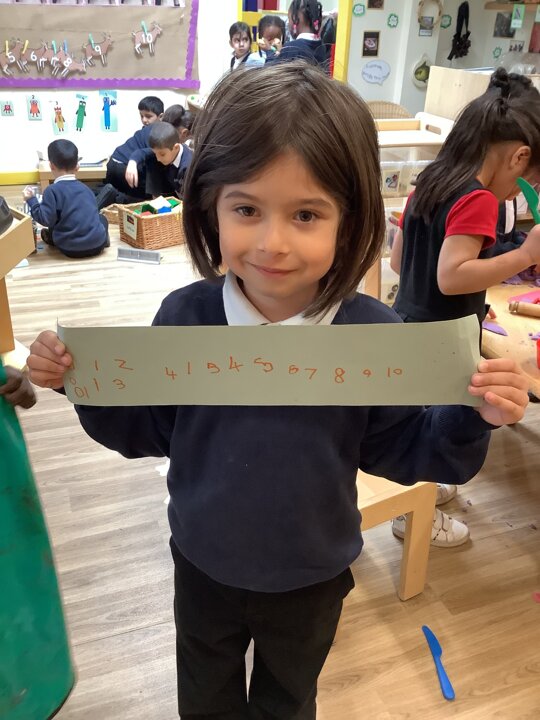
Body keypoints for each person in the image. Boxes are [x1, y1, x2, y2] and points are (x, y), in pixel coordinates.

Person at [27, 63, 529, 720]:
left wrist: (473, 414)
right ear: (209, 207)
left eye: (306, 214)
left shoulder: (372, 335)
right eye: (246, 209)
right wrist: (85, 384)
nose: (273, 243)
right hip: (202, 563)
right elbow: (148, 428)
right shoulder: (186, 318)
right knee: (203, 701)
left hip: (311, 577)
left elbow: (406, 447)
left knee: (287, 703)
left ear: (349, 220)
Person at [389, 68, 540, 546]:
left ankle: (419, 497)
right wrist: (526, 254)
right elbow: (452, 276)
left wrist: (477, 300)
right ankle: (413, 517)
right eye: (526, 182)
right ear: (519, 157)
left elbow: (398, 261)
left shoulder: (430, 180)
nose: (519, 194)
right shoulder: (478, 198)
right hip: (441, 340)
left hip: (407, 321)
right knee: (439, 426)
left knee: (416, 425)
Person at [24, 139, 109, 259]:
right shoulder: (87, 189)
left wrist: (31, 200)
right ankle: (103, 238)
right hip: (97, 244)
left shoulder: (51, 191)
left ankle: (52, 238)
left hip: (70, 248)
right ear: (77, 166)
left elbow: (45, 219)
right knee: (101, 218)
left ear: (51, 166)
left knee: (55, 221)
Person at [96, 96, 164, 208]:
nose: (144, 120)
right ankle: (116, 197)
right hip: (125, 167)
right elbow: (152, 163)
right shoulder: (156, 133)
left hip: (113, 162)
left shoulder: (144, 131)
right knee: (142, 198)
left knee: (114, 191)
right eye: (141, 116)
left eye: (148, 116)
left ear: (161, 116)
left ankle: (109, 195)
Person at [267, 1, 328, 68]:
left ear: (295, 18)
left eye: (289, 19)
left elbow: (269, 70)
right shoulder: (321, 46)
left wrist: (269, 50)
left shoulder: (291, 48)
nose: (288, 24)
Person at [145, 120, 193, 200]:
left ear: (176, 147)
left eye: (162, 154)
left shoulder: (188, 167)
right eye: (155, 153)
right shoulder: (169, 156)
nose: (158, 159)